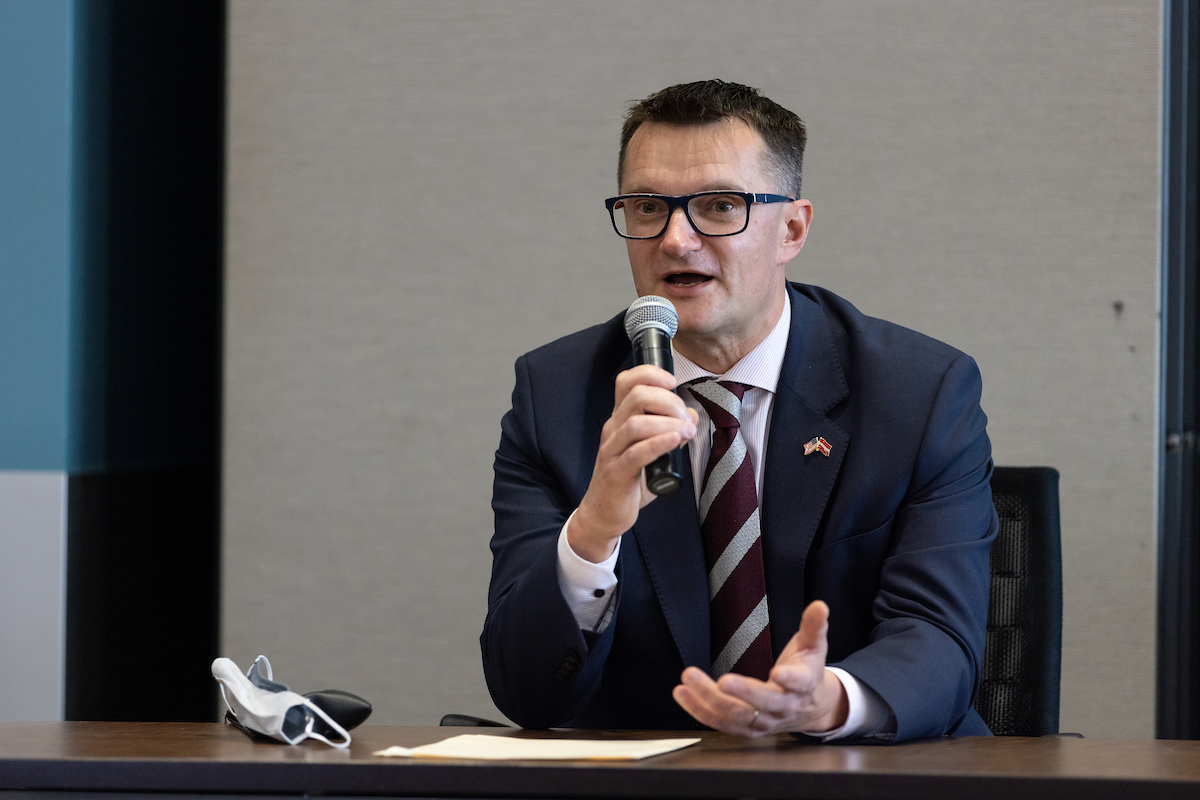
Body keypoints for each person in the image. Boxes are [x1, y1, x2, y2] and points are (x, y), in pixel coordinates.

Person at [482, 80, 997, 742]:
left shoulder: (920, 392)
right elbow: (526, 693)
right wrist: (592, 532)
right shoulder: (555, 398)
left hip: (866, 778)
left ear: (792, 228)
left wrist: (828, 703)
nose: (675, 239)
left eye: (719, 206)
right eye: (647, 207)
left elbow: (940, 640)